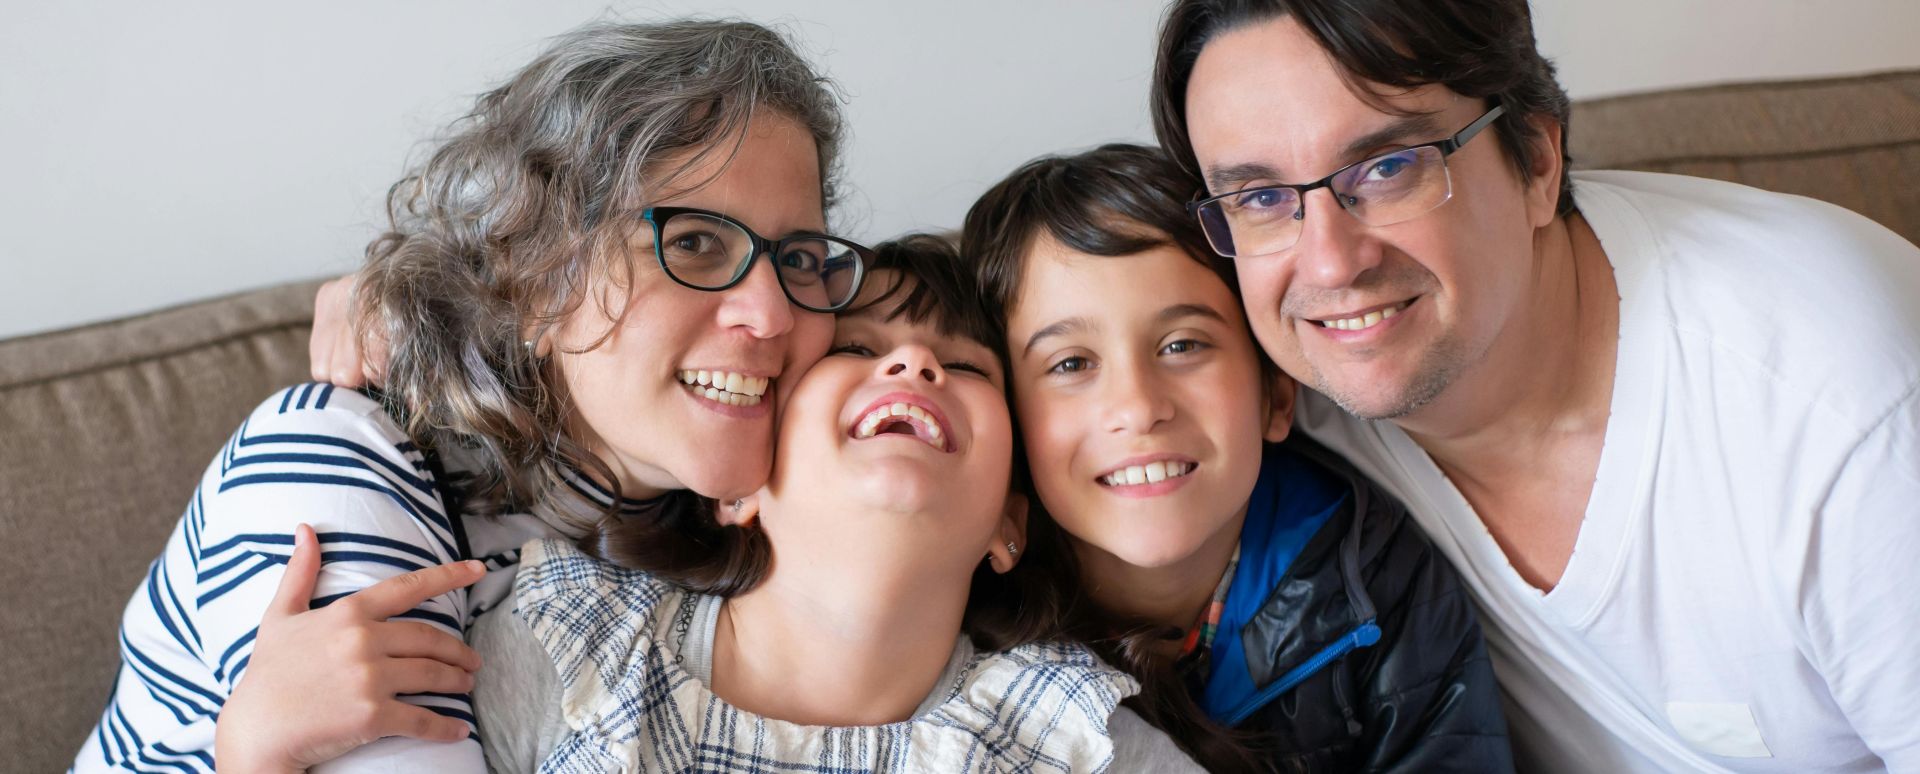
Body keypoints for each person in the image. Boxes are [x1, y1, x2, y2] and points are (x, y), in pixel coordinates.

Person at [75, 19, 863, 773]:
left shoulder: (744, 511)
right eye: (693, 242)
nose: (771, 312)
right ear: (540, 276)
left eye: (796, 256)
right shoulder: (339, 459)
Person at [1151, 0, 1920, 770]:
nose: (1328, 264)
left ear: (1538, 162)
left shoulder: (1843, 410)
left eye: (1388, 167)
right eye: (1260, 199)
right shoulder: (1272, 396)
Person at [464, 234, 1200, 772]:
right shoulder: (571, 652)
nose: (915, 365)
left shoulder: (1076, 743)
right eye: (853, 351)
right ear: (740, 484)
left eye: (966, 365)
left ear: (1008, 526)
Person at [963, 142, 1511, 772]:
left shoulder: (1381, 581)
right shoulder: (958, 609)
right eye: (1071, 364)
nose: (1139, 407)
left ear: (1275, 396)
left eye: (1182, 345)